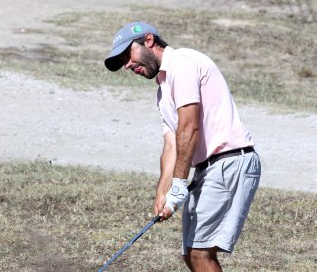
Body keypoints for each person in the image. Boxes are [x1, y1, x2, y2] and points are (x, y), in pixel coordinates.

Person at [104, 22, 261, 271]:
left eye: (127, 54)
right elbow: (172, 145)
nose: (127, 65)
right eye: (122, 61)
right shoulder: (162, 91)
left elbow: (189, 127)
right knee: (190, 253)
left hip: (229, 161)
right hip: (207, 170)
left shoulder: (182, 63)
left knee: (200, 253)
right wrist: (163, 190)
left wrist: (179, 183)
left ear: (148, 40)